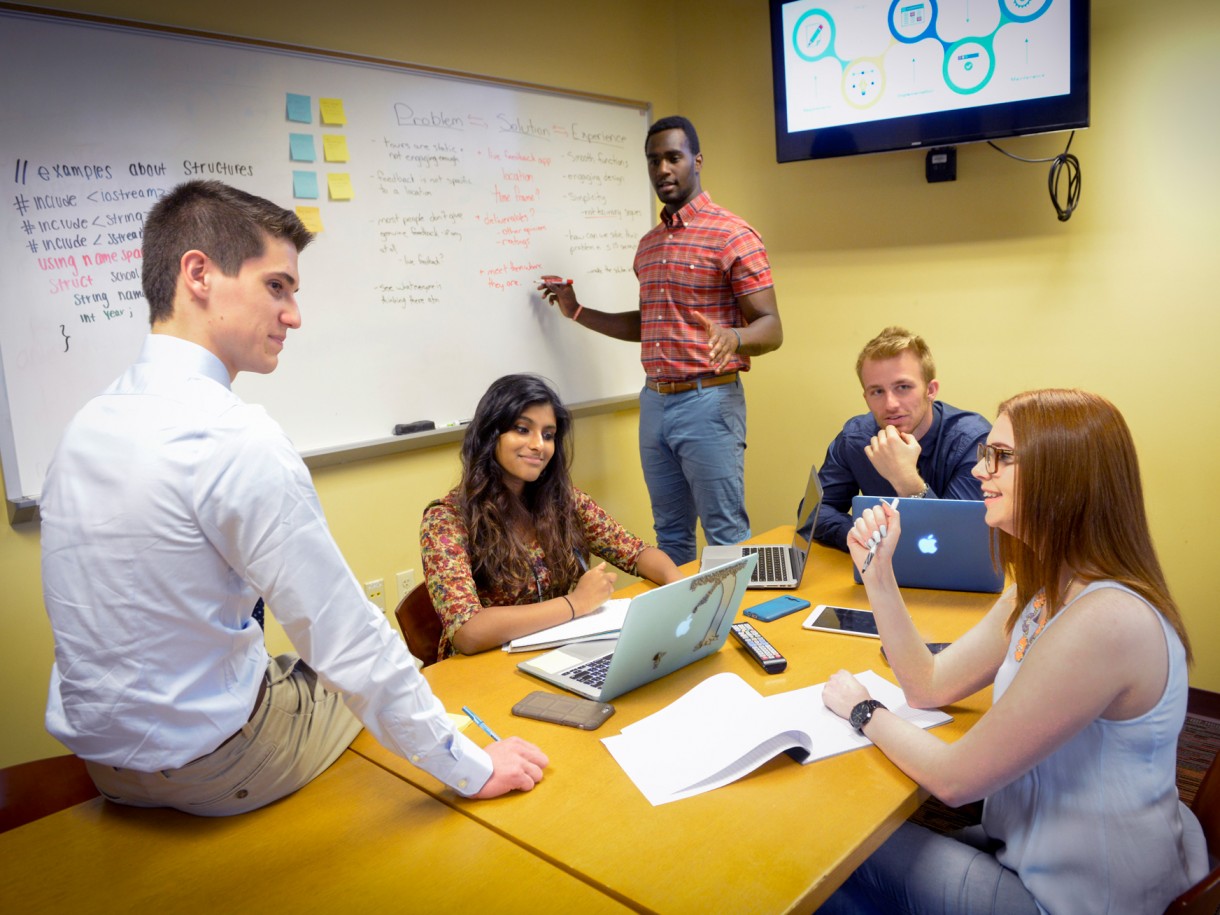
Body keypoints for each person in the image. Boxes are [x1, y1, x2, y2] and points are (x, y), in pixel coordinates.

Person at [39, 180, 547, 816]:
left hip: (106, 769)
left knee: (284, 662)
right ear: (198, 273)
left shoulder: (84, 425)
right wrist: (473, 768)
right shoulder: (234, 435)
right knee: (389, 667)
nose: (294, 315)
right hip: (220, 768)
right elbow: (345, 640)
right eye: (276, 286)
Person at [817, 389, 1208, 914]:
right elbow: (928, 685)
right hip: (1028, 848)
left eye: (999, 456)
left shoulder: (1106, 620)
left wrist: (863, 710)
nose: (981, 471)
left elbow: (955, 782)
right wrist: (878, 574)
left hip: (1079, 900)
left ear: (1062, 474)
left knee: (835, 849)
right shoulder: (1043, 586)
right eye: (985, 453)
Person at [540, 115, 782, 565]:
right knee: (669, 535)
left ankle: (739, 632)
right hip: (654, 403)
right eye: (654, 161)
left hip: (708, 401)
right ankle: (683, 634)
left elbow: (771, 327)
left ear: (697, 161)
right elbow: (649, 323)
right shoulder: (649, 245)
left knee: (725, 533)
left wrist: (734, 336)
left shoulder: (733, 234)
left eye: (673, 157)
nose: (663, 169)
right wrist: (576, 310)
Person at [421, 373, 683, 657]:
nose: (539, 445)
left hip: (554, 652)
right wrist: (576, 603)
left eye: (548, 435)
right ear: (490, 435)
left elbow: (636, 552)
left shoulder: (563, 500)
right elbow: (467, 631)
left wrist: (680, 587)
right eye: (522, 429)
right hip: (486, 669)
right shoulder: (446, 520)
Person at [804, 326, 989, 550]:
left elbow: (959, 540)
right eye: (877, 392)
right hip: (876, 572)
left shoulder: (972, 440)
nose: (890, 404)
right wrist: (870, 537)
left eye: (903, 387)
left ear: (930, 390)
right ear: (866, 397)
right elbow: (815, 514)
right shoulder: (856, 438)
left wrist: (906, 480)